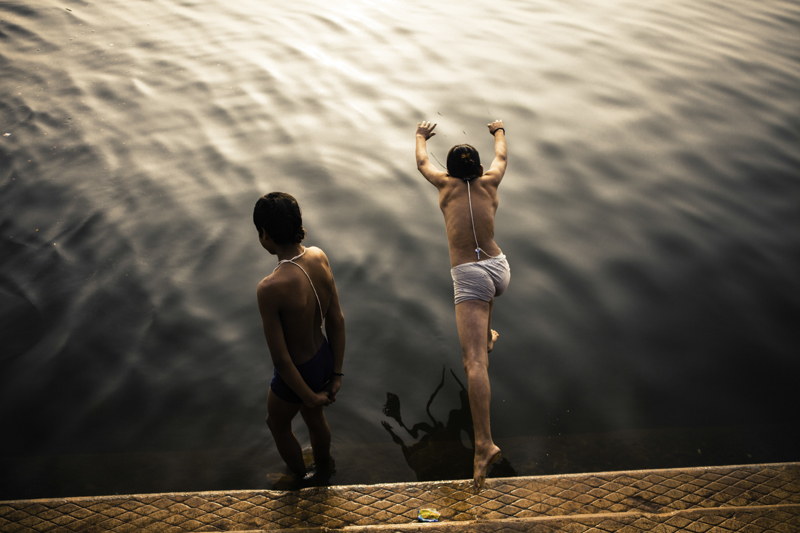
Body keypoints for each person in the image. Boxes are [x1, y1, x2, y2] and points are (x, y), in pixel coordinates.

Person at [414, 119, 510, 491]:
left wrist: (420, 137)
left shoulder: (444, 186)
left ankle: (484, 443)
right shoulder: (492, 181)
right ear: (479, 170)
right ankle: (486, 333)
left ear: (451, 172)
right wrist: (498, 130)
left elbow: (423, 163)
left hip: (470, 277)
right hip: (500, 270)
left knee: (473, 363)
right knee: (482, 315)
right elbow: (501, 155)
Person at [253, 192, 346, 481]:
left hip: (297, 372)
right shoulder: (319, 256)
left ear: (265, 235)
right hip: (323, 358)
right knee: (314, 416)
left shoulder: (270, 287)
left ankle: (299, 479)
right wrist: (337, 374)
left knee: (277, 424)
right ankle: (324, 467)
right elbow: (336, 320)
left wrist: (306, 395)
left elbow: (281, 360)